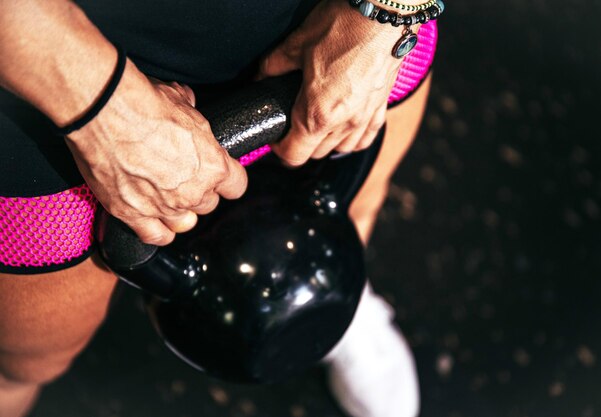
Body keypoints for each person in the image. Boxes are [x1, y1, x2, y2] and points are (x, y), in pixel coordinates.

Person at [0, 0, 436, 416]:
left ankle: (334, 303)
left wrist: (387, 15)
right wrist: (101, 110)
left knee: (355, 208)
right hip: (47, 83)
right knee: (26, 363)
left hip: (331, 23)